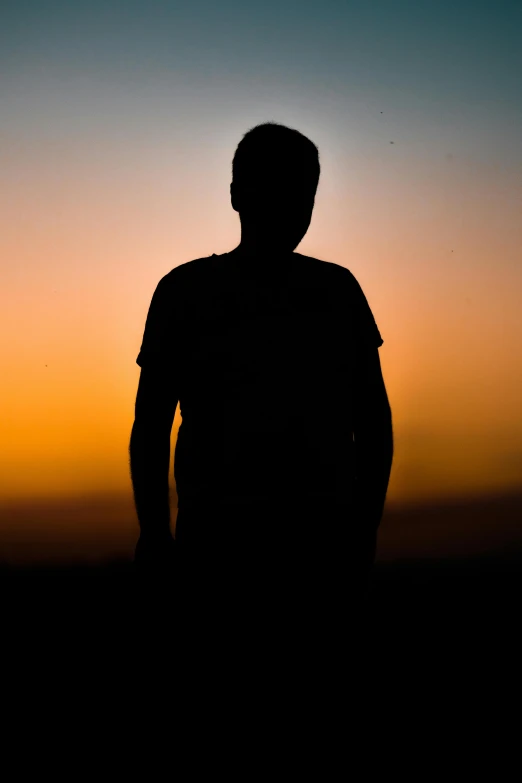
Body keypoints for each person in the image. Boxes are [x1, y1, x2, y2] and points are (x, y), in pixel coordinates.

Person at [130, 121, 393, 626]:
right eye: (276, 187)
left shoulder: (338, 293)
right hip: (218, 549)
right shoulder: (183, 294)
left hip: (319, 553)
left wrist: (362, 536)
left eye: (304, 192)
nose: (293, 206)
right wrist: (156, 535)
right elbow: (150, 427)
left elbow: (374, 425)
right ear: (236, 195)